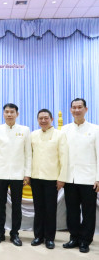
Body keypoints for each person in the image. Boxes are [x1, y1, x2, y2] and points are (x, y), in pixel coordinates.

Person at [0, 103, 31, 246]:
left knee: (16, 206)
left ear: (17, 114)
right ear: (3, 114)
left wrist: (27, 174)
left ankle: (15, 234)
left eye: (12, 112)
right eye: (6, 112)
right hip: (0, 174)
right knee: (0, 206)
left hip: (18, 175)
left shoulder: (25, 130)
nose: (9, 114)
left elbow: (28, 154)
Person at [61, 98, 99, 253]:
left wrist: (98, 177)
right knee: (72, 211)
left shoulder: (95, 129)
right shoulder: (64, 130)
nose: (77, 110)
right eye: (74, 107)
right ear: (70, 110)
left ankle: (85, 240)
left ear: (86, 109)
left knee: (89, 212)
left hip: (89, 178)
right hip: (70, 178)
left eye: (80, 107)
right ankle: (74, 238)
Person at [30, 109, 68, 249]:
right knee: (38, 209)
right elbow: (29, 156)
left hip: (52, 179)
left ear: (51, 119)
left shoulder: (60, 135)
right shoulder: (33, 135)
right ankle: (38, 236)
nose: (43, 120)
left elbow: (64, 158)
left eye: (46, 118)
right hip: (36, 178)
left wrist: (61, 178)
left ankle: (49, 238)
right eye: (40, 118)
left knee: (50, 209)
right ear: (37, 120)